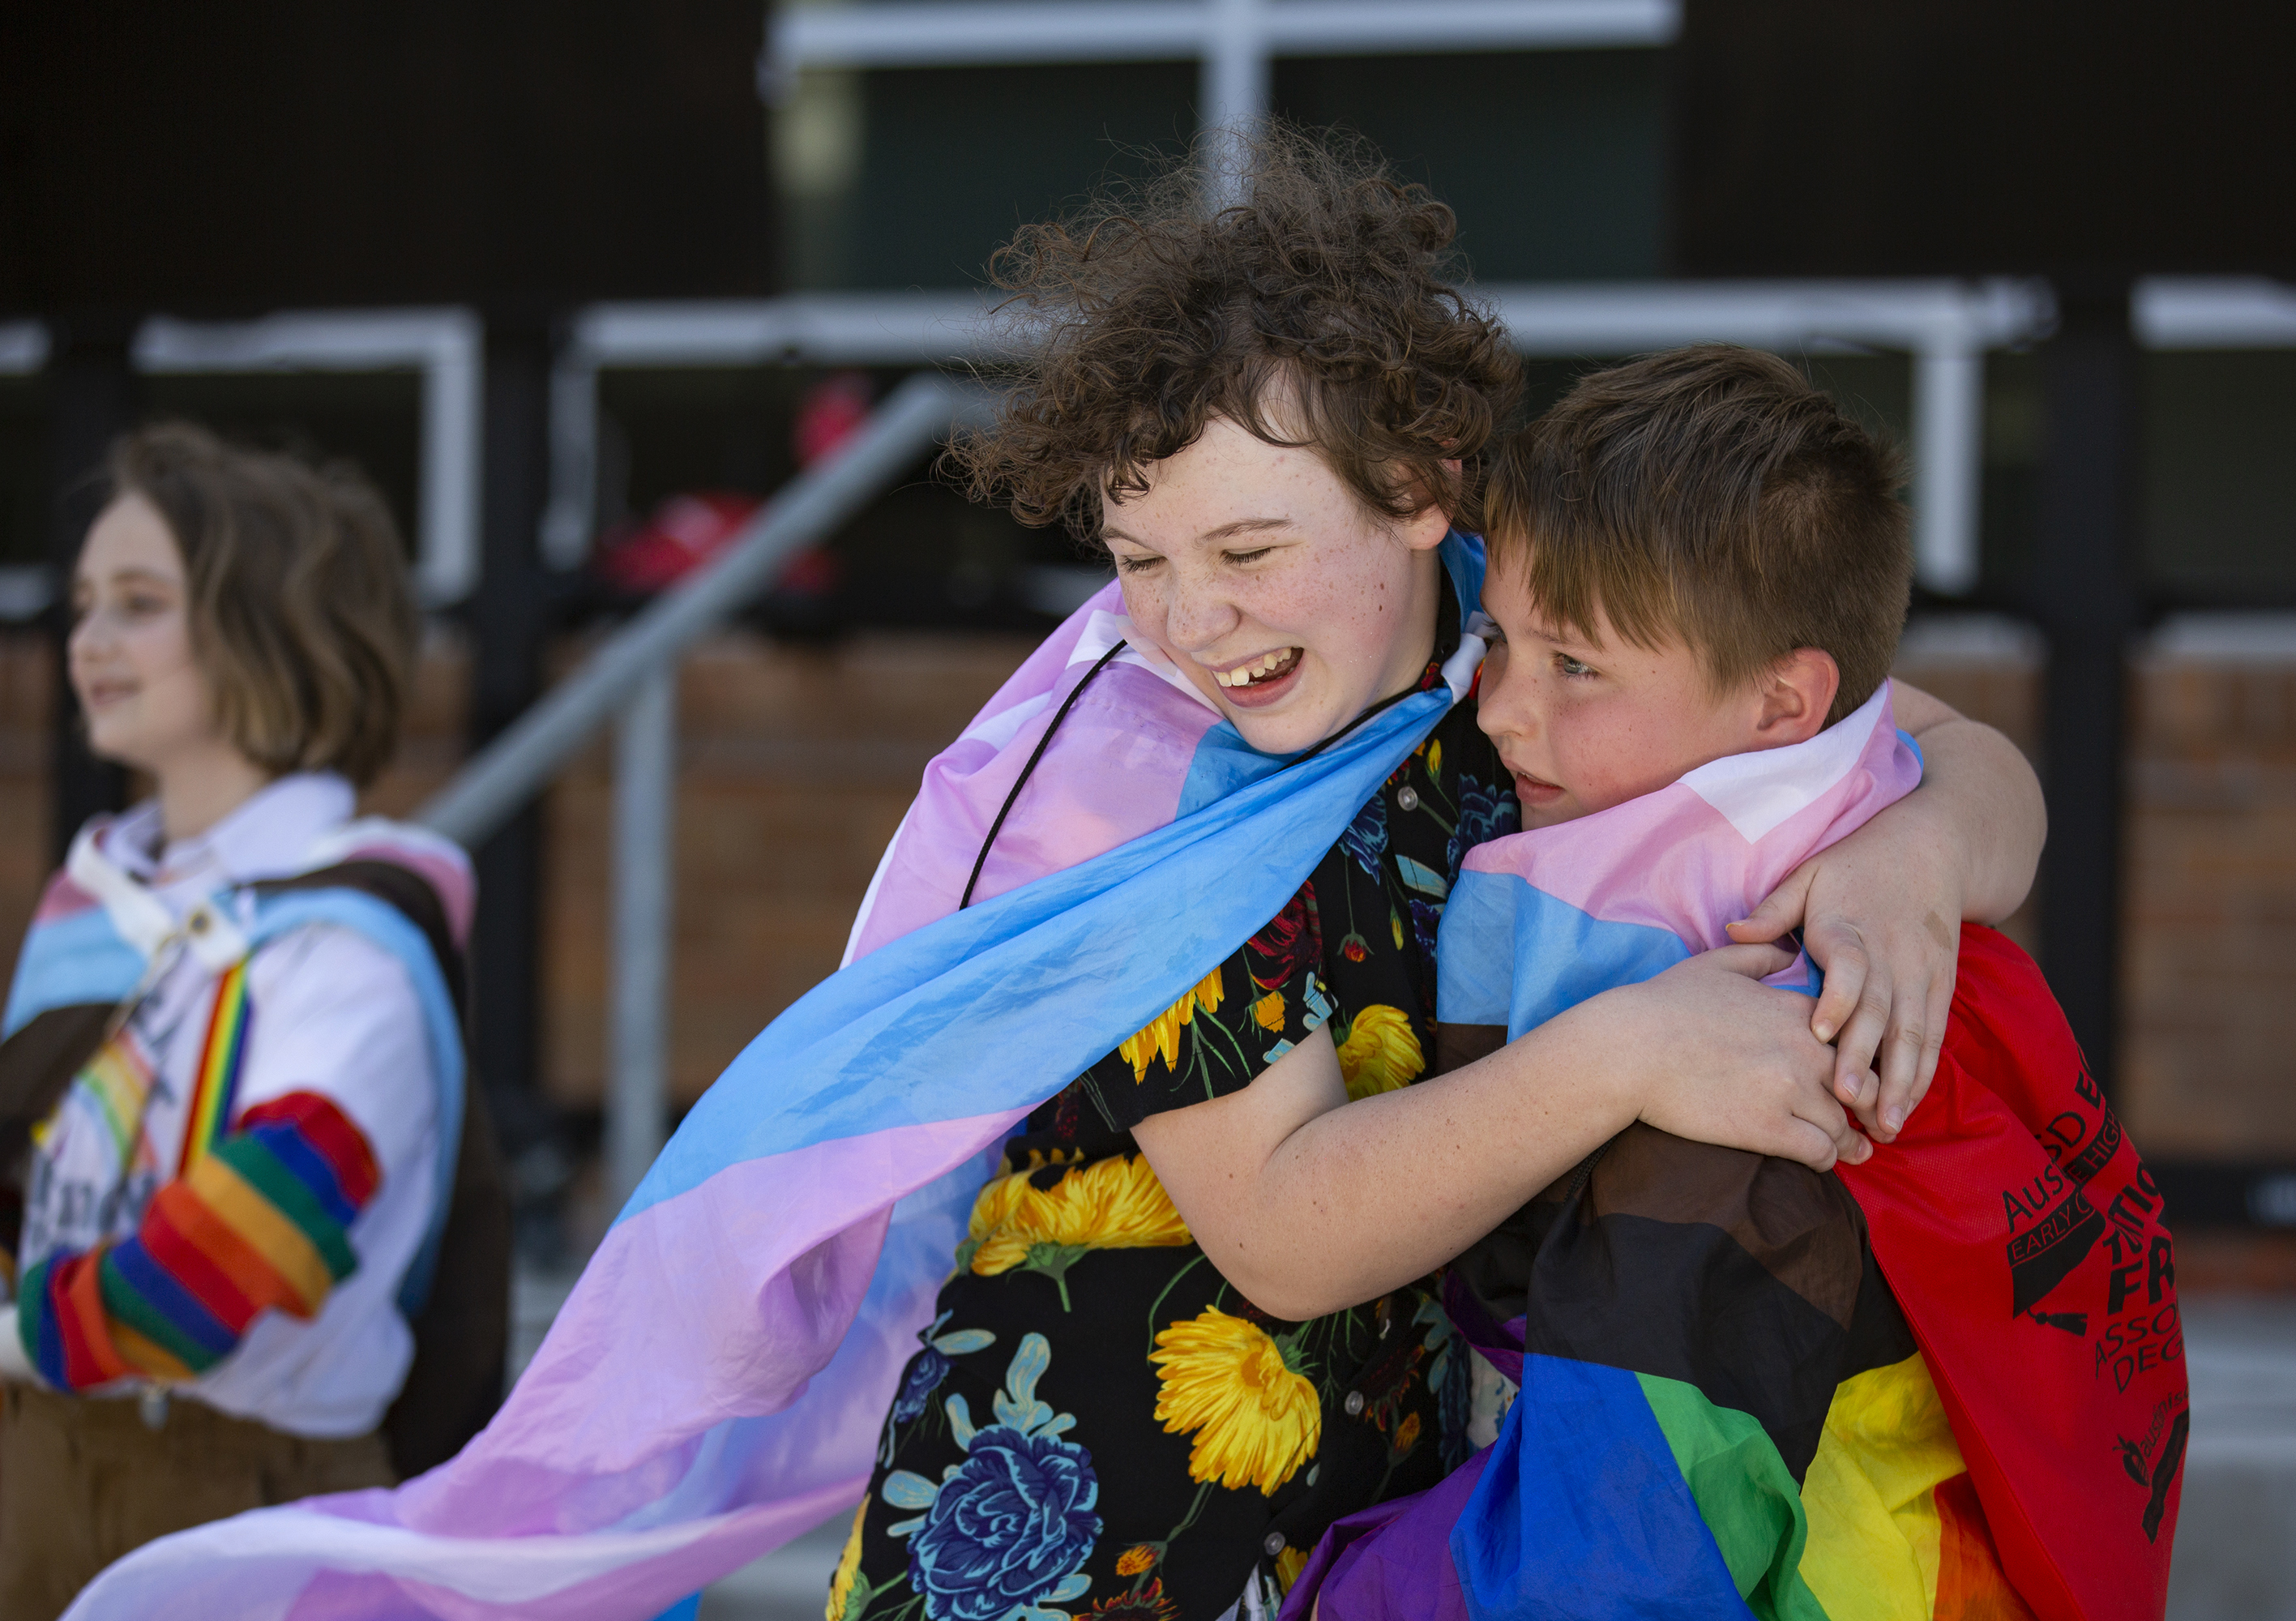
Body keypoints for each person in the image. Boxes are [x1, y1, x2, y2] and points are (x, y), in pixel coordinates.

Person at [54, 132, 2040, 1621]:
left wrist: (1914, 856)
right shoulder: (1137, 804)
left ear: (1433, 496)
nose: (1192, 622)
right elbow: (1286, 1227)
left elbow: (1923, 734)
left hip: (1355, 1513)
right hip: (1070, 1530)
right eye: (1138, 556)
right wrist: (1631, 1058)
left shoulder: (1496, 657)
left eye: (1250, 552)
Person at [1285, 348, 2183, 1621]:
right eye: (1498, 641)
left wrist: (1354, 1592)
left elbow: (1605, 1565)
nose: (1500, 711)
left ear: (1781, 707)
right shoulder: (1884, 884)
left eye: (1575, 668)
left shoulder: (1744, 1089)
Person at [0, 424, 507, 1618]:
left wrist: (19, 1334)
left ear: (265, 623)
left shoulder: (352, 939)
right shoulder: (95, 904)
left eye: (138, 603)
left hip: (244, 1509)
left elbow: (227, 1265)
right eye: (82, 604)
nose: (89, 642)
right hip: (31, 1475)